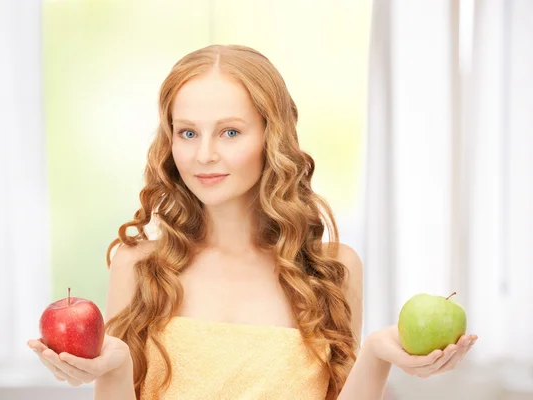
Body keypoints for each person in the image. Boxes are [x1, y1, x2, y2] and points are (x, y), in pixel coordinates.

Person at [27, 44, 477, 399]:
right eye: (187, 132)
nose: (204, 154)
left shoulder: (333, 270)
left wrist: (377, 355)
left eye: (230, 132)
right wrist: (116, 365)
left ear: (271, 136)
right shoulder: (138, 265)